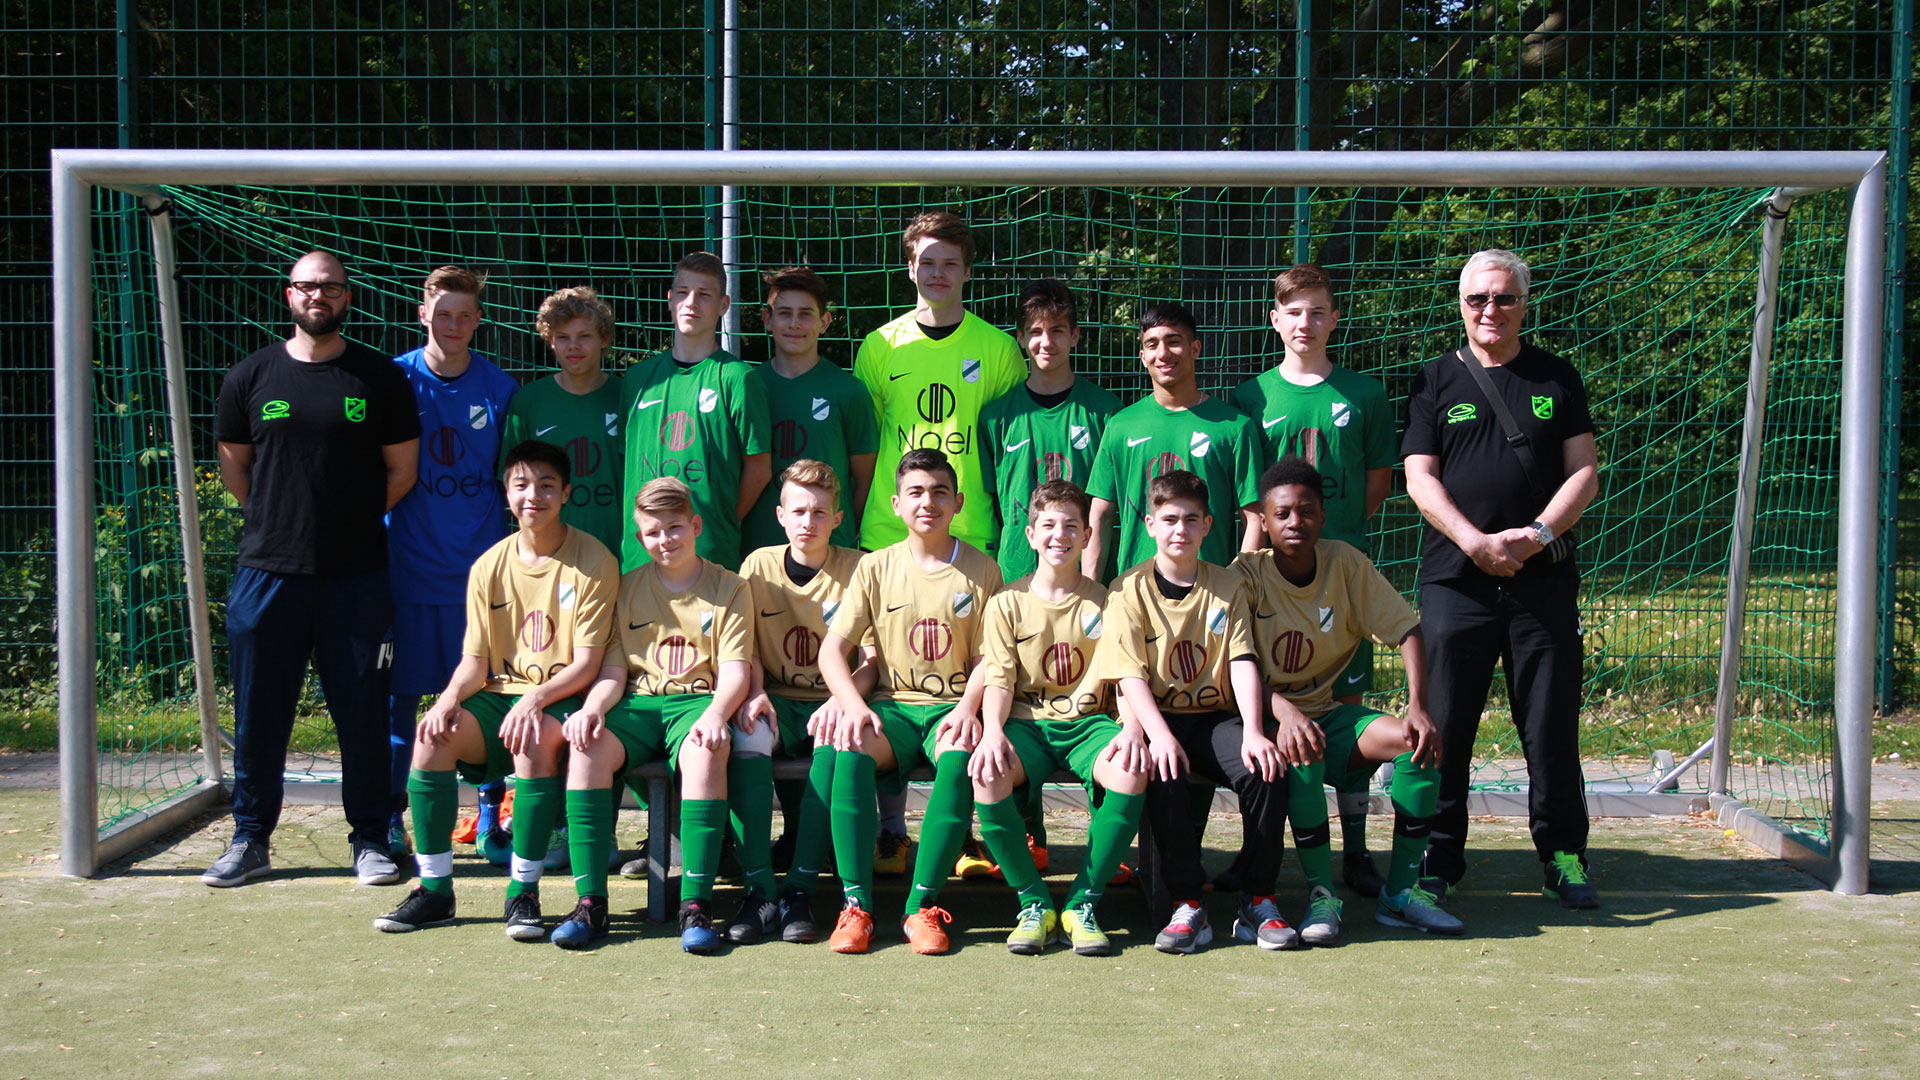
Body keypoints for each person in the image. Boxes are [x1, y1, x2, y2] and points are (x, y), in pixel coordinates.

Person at [206, 250, 419, 889]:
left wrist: (343, 525)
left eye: (330, 286)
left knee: (363, 717)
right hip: (267, 574)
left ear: (347, 297)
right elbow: (235, 469)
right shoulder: (250, 376)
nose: (318, 295)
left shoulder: (379, 378)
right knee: (260, 712)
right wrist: (285, 523)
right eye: (307, 286)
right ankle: (250, 839)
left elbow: (402, 473)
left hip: (356, 577)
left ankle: (372, 839)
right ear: (289, 294)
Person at [1402, 249, 1601, 909]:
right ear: (1460, 305)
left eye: (1504, 298)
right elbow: (1418, 477)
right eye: (1477, 299)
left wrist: (1538, 536)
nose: (1491, 310)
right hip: (1455, 583)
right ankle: (1437, 854)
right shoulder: (1434, 379)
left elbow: (1584, 473)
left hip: (1541, 581)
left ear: (1524, 303)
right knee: (1445, 725)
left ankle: (1563, 855)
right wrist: (1476, 543)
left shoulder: (1557, 377)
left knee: (1548, 726)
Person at [372, 440, 617, 937]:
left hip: (562, 696)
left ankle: (522, 891)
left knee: (529, 741)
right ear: (506, 493)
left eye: (547, 486)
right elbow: (474, 661)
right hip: (499, 696)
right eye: (522, 485)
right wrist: (445, 701)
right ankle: (435, 890)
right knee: (430, 737)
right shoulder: (488, 565)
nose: (534, 496)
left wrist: (535, 698)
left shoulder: (594, 559)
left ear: (566, 493)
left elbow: (590, 663)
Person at [852, 212, 1023, 873]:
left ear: (967, 271)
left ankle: (980, 830)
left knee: (972, 678)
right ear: (909, 268)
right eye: (927, 261)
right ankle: (892, 831)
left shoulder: (998, 349)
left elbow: (1002, 447)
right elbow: (872, 445)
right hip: (888, 537)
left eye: (949, 262)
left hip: (971, 532)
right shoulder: (880, 347)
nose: (938, 273)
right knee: (892, 681)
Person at [1235, 456, 1461, 940]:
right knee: (1300, 754)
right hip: (1264, 721)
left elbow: (1408, 630)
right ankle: (1322, 896)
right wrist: (1285, 711)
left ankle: (1400, 894)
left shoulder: (1346, 563)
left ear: (1322, 514)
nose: (1296, 522)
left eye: (1307, 511)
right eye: (1282, 514)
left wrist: (1418, 706)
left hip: (1328, 716)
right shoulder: (1246, 575)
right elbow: (1230, 664)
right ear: (1266, 521)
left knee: (1415, 743)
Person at [1230, 264, 1398, 896]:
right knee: (1268, 710)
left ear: (1333, 318)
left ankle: (1356, 852)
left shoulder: (1365, 394)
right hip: (1275, 579)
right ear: (1276, 320)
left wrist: (1335, 539)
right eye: (1293, 312)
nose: (1305, 322)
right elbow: (1250, 494)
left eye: (1317, 311)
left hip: (1340, 581)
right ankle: (1260, 851)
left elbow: (1377, 483)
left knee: (1346, 715)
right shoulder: (1251, 398)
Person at [546, 477, 755, 952]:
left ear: (695, 525)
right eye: (654, 532)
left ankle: (696, 905)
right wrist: (592, 709)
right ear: (640, 538)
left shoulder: (730, 587)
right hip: (639, 704)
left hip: (696, 702)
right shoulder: (625, 588)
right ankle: (590, 903)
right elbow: (614, 670)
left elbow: (736, 672)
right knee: (586, 748)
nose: (667, 540)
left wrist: (718, 714)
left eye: (676, 527)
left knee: (704, 753)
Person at [816, 448, 1004, 954]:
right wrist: (854, 706)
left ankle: (922, 908)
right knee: (850, 748)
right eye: (916, 493)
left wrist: (968, 710)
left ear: (958, 502)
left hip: (951, 710)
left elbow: (992, 658)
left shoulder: (984, 569)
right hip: (893, 708)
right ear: (896, 504)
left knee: (961, 758)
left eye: (940, 492)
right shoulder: (875, 567)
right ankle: (855, 907)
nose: (929, 502)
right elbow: (832, 651)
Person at [1090, 470, 1286, 954]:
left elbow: (1242, 660)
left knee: (1266, 768)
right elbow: (1130, 675)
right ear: (1150, 523)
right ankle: (1187, 904)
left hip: (1214, 718)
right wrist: (1158, 735)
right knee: (1163, 767)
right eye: (1170, 519)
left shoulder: (1228, 585)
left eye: (1191, 520)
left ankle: (1258, 900)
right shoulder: (1126, 589)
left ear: (1207, 525)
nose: (1180, 529)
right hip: (1154, 717)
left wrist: (1256, 732)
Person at [968, 277, 1121, 878]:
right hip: (1015, 579)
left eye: (1058, 329)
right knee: (1021, 703)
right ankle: (1027, 837)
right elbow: (994, 501)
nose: (1046, 341)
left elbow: (1104, 509)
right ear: (1021, 339)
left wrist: (1091, 577)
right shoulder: (997, 414)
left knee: (1085, 705)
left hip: (1083, 585)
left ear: (1076, 335)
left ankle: (1106, 846)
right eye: (1035, 331)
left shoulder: (1104, 411)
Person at [970, 480, 1149, 956]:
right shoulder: (1006, 601)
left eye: (1072, 525)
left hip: (1089, 725)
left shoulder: (1110, 601)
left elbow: (1124, 673)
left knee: (1132, 771)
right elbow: (999, 680)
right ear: (1029, 535)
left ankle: (1081, 902)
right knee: (986, 776)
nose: (1059, 535)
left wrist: (1132, 727)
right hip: (1026, 725)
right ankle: (1033, 903)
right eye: (1048, 525)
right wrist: (991, 733)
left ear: (1087, 536)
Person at [384, 266, 519, 859]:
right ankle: (391, 817)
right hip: (407, 572)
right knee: (400, 700)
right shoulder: (395, 380)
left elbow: (514, 488)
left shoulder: (500, 389)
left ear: (478, 320)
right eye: (444, 313)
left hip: (479, 580)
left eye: (466, 315)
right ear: (423, 314)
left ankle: (491, 812)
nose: (455, 325)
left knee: (484, 696)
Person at [736, 459, 875, 943]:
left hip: (833, 701)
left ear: (837, 518)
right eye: (799, 511)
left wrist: (846, 696)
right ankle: (758, 890)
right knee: (743, 735)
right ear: (780, 515)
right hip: (775, 700)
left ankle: (798, 890)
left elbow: (874, 657)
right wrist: (754, 692)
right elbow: (744, 647)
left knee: (836, 742)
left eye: (820, 513)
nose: (808, 522)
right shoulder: (757, 566)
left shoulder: (860, 567)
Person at [1085, 303, 1263, 578]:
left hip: (1209, 596)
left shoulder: (1235, 427)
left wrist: (1241, 586)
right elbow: (1100, 516)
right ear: (1143, 356)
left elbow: (1254, 519)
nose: (1163, 353)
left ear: (1195, 349)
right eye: (1152, 344)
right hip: (1137, 595)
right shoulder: (1120, 425)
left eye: (1173, 342)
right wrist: (1090, 588)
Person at [619, 251, 771, 572]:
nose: (692, 302)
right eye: (684, 293)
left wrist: (717, 519)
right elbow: (625, 462)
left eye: (704, 294)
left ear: (723, 305)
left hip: (710, 553)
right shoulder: (636, 380)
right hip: (640, 557)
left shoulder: (739, 379)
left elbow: (759, 471)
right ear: (670, 299)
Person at [742, 267, 879, 552]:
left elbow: (864, 480)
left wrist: (840, 532)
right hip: (758, 548)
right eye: (784, 313)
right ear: (767, 319)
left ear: (824, 322)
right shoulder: (746, 386)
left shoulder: (848, 391)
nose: (794, 323)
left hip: (829, 552)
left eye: (805, 314)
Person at [500, 286, 627, 556]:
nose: (574, 346)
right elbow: (511, 481)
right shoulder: (527, 402)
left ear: (604, 338)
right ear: (551, 341)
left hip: (617, 551)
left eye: (584, 336)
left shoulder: (626, 397)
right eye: (563, 337)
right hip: (548, 553)